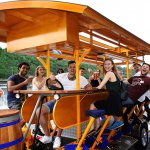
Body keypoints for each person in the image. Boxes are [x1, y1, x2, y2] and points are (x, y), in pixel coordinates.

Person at [36, 60, 92, 148]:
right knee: (39, 111)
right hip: (58, 99)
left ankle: (58, 137)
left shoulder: (81, 78)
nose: (72, 69)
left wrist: (84, 91)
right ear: (68, 68)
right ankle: (47, 135)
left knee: (60, 113)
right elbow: (49, 82)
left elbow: (89, 88)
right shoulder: (61, 76)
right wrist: (52, 80)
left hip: (72, 102)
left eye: (74, 67)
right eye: (71, 67)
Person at [89, 58, 124, 132]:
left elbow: (100, 87)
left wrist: (91, 89)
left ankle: (92, 128)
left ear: (112, 65)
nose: (106, 66)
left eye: (108, 64)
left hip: (112, 100)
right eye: (105, 64)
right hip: (115, 100)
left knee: (93, 105)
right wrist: (98, 79)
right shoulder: (113, 73)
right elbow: (105, 87)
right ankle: (98, 127)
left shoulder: (109, 73)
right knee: (96, 105)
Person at [122, 63, 150, 127]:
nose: (144, 68)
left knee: (128, 108)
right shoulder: (137, 75)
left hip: (144, 96)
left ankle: (133, 121)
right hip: (134, 96)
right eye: (144, 66)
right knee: (127, 109)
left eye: (146, 67)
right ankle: (134, 120)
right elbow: (129, 82)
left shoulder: (148, 78)